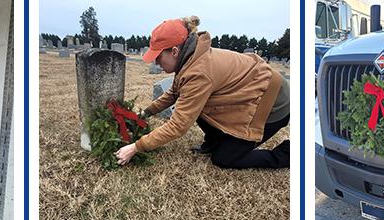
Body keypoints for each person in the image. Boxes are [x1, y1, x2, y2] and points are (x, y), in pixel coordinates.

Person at [115, 16, 289, 169]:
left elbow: (178, 126)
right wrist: (145, 113)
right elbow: (175, 92)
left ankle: (288, 154)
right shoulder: (190, 59)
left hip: (272, 103)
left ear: (174, 51)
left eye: (158, 56)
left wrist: (136, 147)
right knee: (196, 107)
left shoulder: (199, 72)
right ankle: (214, 142)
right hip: (256, 91)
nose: (156, 62)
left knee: (224, 158)